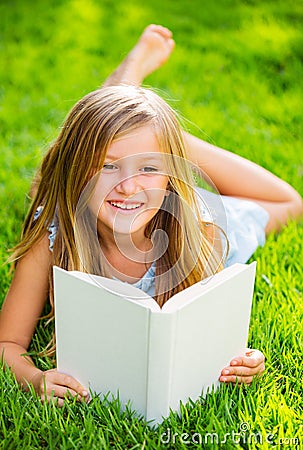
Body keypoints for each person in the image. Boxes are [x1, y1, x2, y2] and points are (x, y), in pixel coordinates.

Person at [0, 25, 302, 408]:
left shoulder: (201, 232)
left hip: (172, 206)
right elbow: (7, 344)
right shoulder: (53, 239)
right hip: (107, 196)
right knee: (44, 187)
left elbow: (215, 338)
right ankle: (133, 117)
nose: (127, 186)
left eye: (148, 167)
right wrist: (33, 378)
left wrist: (246, 360)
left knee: (291, 204)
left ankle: (163, 135)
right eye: (106, 166)